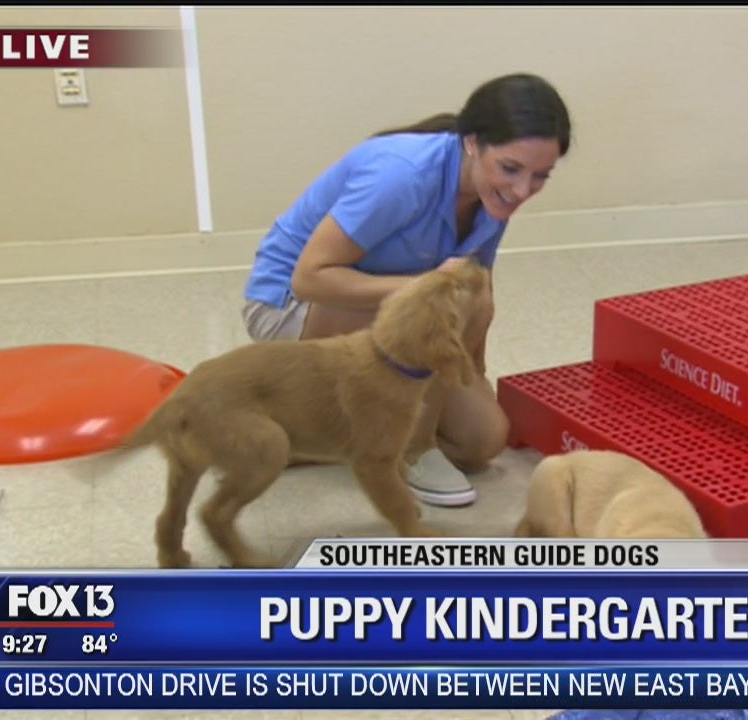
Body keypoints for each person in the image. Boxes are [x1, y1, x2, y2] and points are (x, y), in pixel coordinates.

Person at [240, 73, 572, 508]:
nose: (522, 190)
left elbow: (480, 290)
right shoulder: (402, 176)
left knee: (483, 441)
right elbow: (310, 277)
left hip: (382, 312)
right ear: (472, 143)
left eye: (540, 176)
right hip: (288, 306)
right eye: (510, 168)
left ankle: (317, 438)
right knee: (451, 297)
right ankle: (410, 452)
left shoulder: (494, 195)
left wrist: (473, 376)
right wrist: (428, 287)